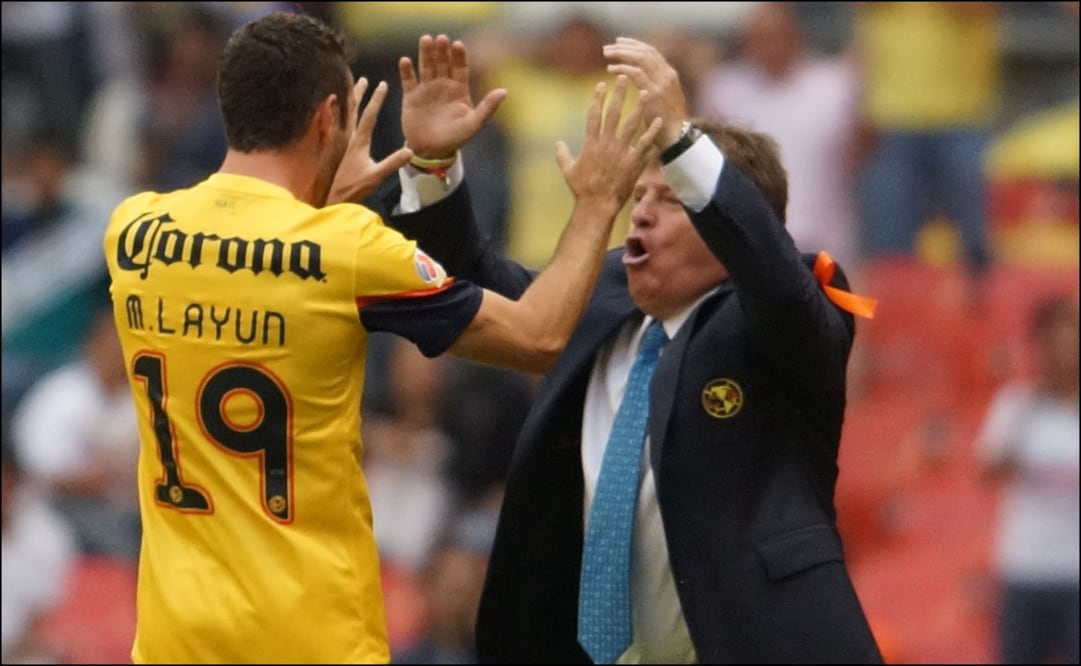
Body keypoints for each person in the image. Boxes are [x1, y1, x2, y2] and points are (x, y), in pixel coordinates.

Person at [100, 12, 659, 665]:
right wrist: (596, 201)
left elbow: (247, 267)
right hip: (310, 639)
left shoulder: (133, 230)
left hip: (173, 638)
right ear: (327, 118)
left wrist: (322, 201)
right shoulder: (345, 248)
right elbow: (537, 336)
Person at [390, 36, 883, 663]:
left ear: (729, 222)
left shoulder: (786, 317)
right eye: (639, 196)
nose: (641, 215)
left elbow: (773, 273)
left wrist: (681, 137)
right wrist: (434, 164)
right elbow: (480, 287)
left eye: (671, 198)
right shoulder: (602, 295)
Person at [975, 295, 1079, 665]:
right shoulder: (1016, 403)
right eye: (1054, 342)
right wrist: (1030, 409)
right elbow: (987, 470)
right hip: (1026, 567)